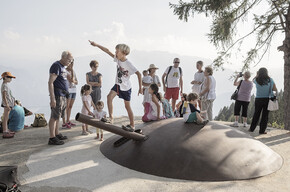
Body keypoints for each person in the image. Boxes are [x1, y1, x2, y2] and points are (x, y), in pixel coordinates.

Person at [89, 40, 142, 132]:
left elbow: (139, 74)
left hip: (126, 87)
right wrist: (96, 44)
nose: (115, 53)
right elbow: (107, 50)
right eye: (115, 51)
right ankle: (111, 118)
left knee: (127, 106)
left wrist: (140, 88)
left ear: (124, 53)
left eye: (117, 51)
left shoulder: (128, 64)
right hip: (118, 85)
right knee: (109, 97)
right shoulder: (117, 59)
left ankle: (132, 125)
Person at [48, 51, 72, 145]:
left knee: (58, 116)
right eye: (69, 60)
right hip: (57, 94)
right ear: (63, 57)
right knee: (54, 116)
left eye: (71, 60)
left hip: (63, 95)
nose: (70, 62)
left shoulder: (63, 67)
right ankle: (52, 137)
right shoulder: (56, 65)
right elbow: (50, 82)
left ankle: (56, 133)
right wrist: (52, 98)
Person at [249, 68, 277, 134]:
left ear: (259, 73)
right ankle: (262, 131)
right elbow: (274, 88)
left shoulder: (256, 80)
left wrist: (257, 74)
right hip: (267, 99)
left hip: (258, 99)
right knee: (265, 116)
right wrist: (274, 95)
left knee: (256, 114)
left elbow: (253, 80)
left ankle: (251, 129)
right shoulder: (270, 80)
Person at [62, 59, 78, 129]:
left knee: (70, 106)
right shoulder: (65, 71)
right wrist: (71, 71)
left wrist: (74, 81)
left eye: (72, 63)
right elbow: (71, 80)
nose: (71, 65)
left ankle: (68, 120)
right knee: (66, 107)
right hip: (68, 90)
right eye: (70, 63)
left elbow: (76, 81)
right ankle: (64, 122)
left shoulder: (73, 71)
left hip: (74, 90)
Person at [1, 72, 16, 138]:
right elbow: (4, 96)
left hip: (9, 103)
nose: (11, 79)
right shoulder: (4, 85)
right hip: (7, 104)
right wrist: (7, 105)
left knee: (7, 117)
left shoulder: (6, 85)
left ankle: (6, 129)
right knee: (5, 118)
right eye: (9, 78)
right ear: (5, 77)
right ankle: (5, 131)